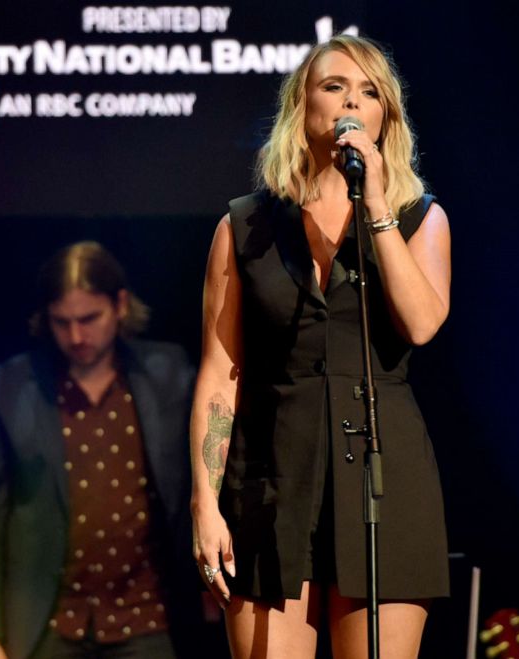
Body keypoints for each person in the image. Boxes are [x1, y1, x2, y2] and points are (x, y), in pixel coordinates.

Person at [189, 34, 451, 659]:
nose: (350, 103)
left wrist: (379, 206)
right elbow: (221, 371)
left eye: (368, 92)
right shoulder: (244, 226)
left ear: (386, 116)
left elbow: (420, 324)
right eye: (334, 86)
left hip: (384, 481)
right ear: (302, 106)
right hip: (273, 478)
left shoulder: (419, 218)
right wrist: (204, 502)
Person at [0, 241, 201, 659]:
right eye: (62, 322)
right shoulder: (5, 388)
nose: (76, 336)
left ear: (120, 305)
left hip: (149, 619)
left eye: (89, 318)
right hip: (50, 623)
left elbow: (197, 489)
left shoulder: (169, 374)